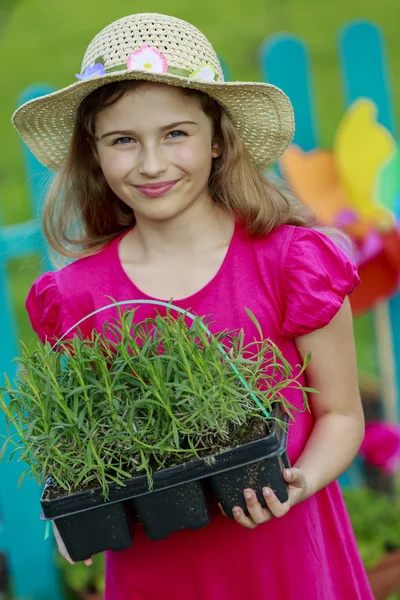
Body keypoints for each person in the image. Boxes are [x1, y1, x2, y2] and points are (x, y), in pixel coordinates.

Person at [14, 12, 373, 600]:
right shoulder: (75, 299)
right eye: (123, 140)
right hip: (159, 575)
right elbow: (87, 444)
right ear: (94, 152)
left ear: (216, 138)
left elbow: (342, 415)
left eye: (175, 133)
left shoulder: (289, 263)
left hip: (284, 560)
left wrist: (298, 481)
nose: (151, 164)